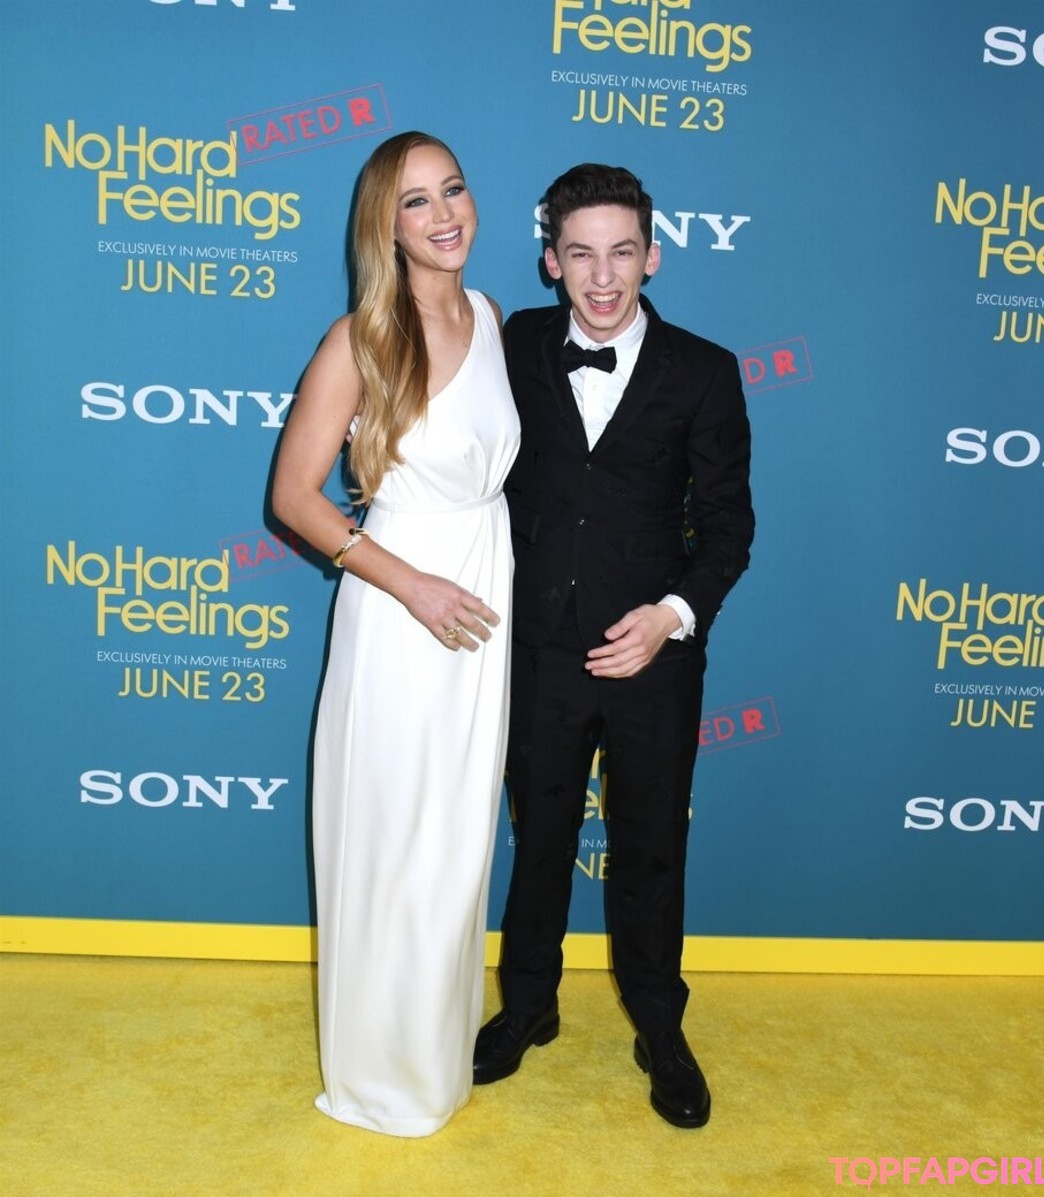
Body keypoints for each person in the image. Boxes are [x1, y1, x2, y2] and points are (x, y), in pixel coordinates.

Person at [473, 163, 753, 1129]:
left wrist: (670, 614)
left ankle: (660, 1029)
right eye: (581, 254)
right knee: (539, 840)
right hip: (539, 650)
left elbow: (729, 526)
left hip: (655, 659)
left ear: (653, 256)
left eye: (622, 253)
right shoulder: (512, 343)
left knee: (651, 848)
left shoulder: (705, 369)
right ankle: (528, 1007)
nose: (603, 277)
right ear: (551, 260)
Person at [272, 131, 520, 1136]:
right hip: (400, 607)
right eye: (416, 201)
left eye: (452, 189)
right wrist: (411, 585)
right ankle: (383, 1078)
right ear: (387, 227)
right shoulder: (360, 339)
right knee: (397, 835)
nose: (444, 213)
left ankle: (432, 1053)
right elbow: (294, 497)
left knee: (456, 840)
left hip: (485, 596)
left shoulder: (491, 317)